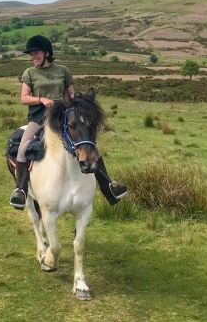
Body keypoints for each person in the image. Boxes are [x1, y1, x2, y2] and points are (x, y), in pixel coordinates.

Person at [9, 35, 127, 210]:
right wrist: (41, 100)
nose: (33, 56)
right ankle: (21, 190)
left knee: (91, 146)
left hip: (63, 118)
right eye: (31, 54)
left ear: (47, 53)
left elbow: (70, 94)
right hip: (39, 118)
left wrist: (78, 103)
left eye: (36, 53)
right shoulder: (29, 73)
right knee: (23, 147)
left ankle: (109, 186)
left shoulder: (63, 70)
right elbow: (24, 98)